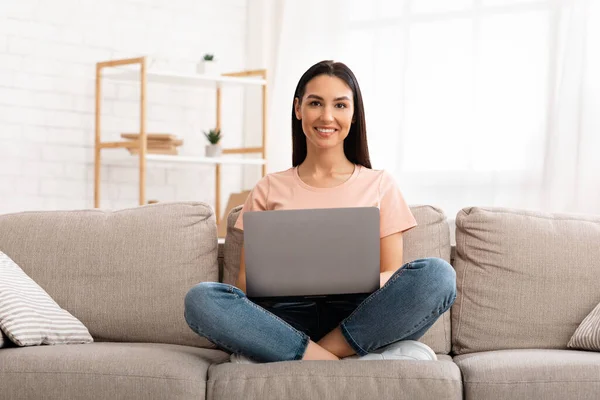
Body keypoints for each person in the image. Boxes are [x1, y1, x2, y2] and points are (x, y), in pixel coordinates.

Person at [184, 60, 456, 363]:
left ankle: (315, 352)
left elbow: (392, 272)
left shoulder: (380, 184)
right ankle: (331, 356)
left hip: (358, 315)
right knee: (201, 299)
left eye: (340, 105)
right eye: (316, 103)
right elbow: (247, 283)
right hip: (284, 318)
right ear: (299, 108)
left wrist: (347, 277)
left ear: (353, 115)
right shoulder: (268, 188)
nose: (327, 116)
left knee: (437, 276)